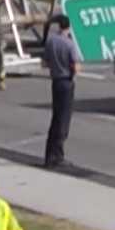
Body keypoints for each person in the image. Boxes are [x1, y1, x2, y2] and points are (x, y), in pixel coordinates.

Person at [42, 14, 82, 169]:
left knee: (55, 118)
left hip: (55, 81)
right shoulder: (69, 44)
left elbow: (45, 62)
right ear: (68, 27)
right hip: (66, 82)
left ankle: (49, 154)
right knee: (63, 121)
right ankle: (57, 156)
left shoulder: (51, 41)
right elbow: (75, 66)